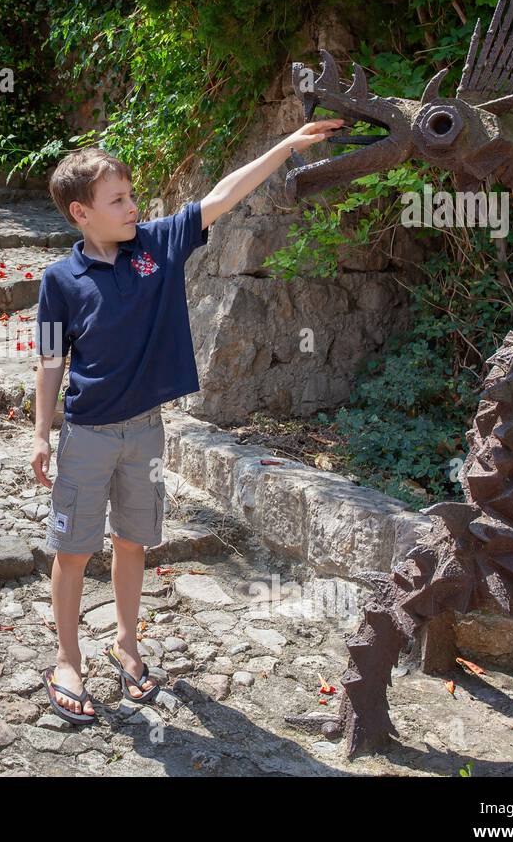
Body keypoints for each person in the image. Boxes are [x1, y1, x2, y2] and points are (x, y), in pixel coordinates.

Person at [31, 119, 344, 722]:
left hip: (146, 431)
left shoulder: (158, 244)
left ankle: (126, 643)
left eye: (131, 195)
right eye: (117, 200)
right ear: (81, 213)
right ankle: (68, 659)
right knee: (72, 551)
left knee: (133, 543)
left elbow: (224, 195)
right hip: (87, 436)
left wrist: (283, 145)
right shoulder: (58, 281)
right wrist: (41, 433)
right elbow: (50, 355)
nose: (132, 206)